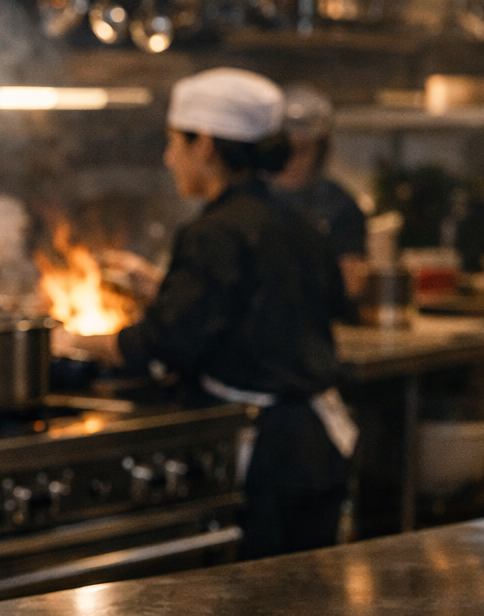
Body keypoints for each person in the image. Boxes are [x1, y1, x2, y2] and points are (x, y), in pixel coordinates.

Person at [54, 68, 356, 560]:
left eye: (175, 142)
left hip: (266, 455)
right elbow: (256, 305)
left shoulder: (213, 232)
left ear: (207, 145)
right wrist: (163, 288)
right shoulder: (293, 217)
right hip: (315, 447)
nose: (169, 157)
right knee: (304, 604)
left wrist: (68, 341)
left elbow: (161, 345)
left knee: (261, 609)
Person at [272, 83, 367, 300]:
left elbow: (350, 285)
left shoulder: (340, 206)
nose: (290, 160)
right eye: (283, 148)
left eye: (302, 150)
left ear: (321, 151)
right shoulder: (247, 200)